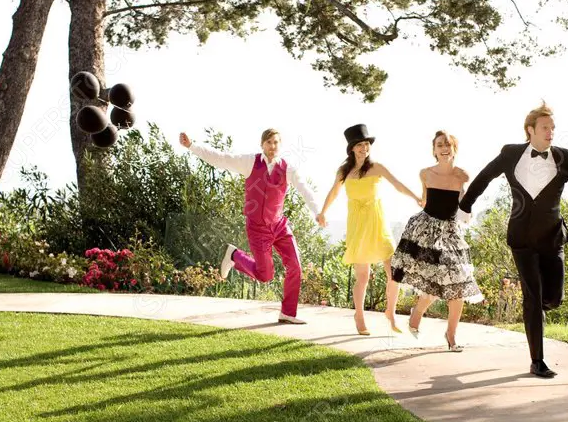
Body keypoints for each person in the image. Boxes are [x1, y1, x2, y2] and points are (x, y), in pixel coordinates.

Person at [458, 102, 568, 377]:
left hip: (553, 239)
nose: (551, 133)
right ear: (530, 130)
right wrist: (466, 205)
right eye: (546, 128)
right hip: (521, 239)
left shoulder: (565, 158)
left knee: (554, 299)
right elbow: (484, 177)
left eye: (553, 128)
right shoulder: (510, 154)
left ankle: (538, 308)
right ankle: (537, 361)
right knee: (532, 298)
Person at [179, 129, 320, 324]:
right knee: (265, 275)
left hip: (279, 226)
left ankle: (288, 313)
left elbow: (305, 189)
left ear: (280, 145)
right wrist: (192, 146)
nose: (272, 146)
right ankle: (235, 255)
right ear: (262, 144)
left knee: (295, 266)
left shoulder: (288, 169)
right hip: (257, 228)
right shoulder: (250, 163)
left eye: (276, 142)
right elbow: (221, 158)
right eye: (269, 142)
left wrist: (317, 212)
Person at [316, 124, 423, 335]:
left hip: (377, 221)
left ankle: (390, 313)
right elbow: (334, 192)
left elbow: (398, 184)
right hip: (357, 223)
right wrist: (323, 212)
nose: (364, 148)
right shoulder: (344, 171)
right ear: (352, 148)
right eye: (360, 145)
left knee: (394, 271)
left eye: (367, 144)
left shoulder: (377, 168)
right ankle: (359, 316)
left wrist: (416, 197)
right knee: (362, 276)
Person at [392, 131, 483, 352]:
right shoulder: (425, 173)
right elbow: (425, 201)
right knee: (433, 285)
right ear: (434, 150)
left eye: (448, 145)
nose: (444, 148)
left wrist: (467, 213)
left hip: (451, 232)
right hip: (427, 230)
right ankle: (417, 314)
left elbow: (464, 204)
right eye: (440, 145)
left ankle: (451, 336)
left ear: (454, 149)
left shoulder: (463, 176)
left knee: (458, 285)